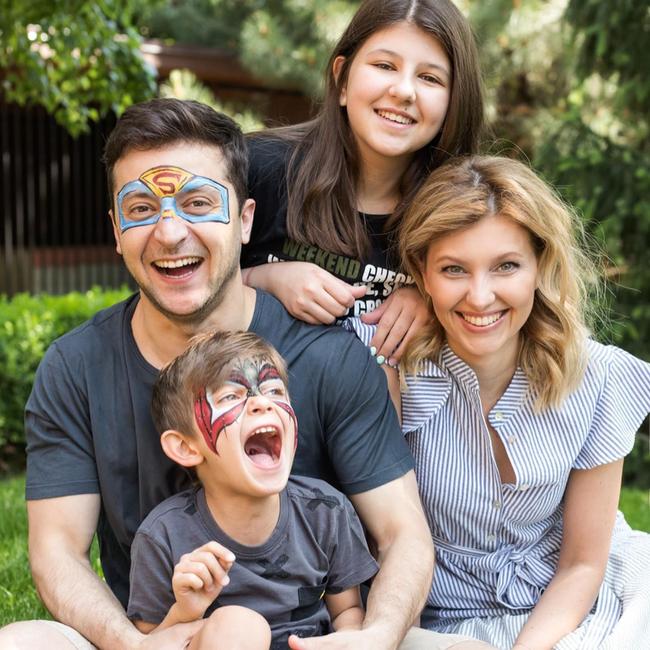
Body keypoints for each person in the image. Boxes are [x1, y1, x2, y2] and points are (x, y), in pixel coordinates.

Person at [0, 99, 488, 650]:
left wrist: (373, 637)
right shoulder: (77, 367)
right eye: (140, 209)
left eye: (198, 203)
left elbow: (404, 535)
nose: (168, 233)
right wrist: (130, 645)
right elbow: (56, 553)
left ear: (246, 219)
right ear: (116, 231)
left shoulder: (330, 357)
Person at [347, 155, 650, 648]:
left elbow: (582, 564)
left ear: (539, 265)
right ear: (422, 275)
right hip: (440, 614)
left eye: (506, 266)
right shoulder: (390, 367)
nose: (481, 296)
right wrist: (273, 277)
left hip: (572, 602)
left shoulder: (598, 376)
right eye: (454, 269)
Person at [241, 0, 485, 366]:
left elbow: (498, 300)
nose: (404, 91)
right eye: (385, 66)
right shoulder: (259, 167)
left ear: (455, 100)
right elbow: (184, 284)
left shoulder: (462, 210)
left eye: (430, 78)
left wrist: (434, 298)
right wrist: (266, 279)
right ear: (342, 79)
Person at [128, 330, 379, 649]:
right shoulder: (163, 536)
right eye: (230, 397)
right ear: (186, 447)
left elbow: (348, 611)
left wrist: (347, 640)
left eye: (274, 390)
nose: (262, 403)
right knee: (239, 627)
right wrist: (185, 611)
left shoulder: (327, 511)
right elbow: (148, 641)